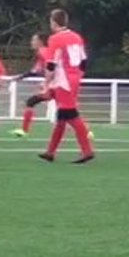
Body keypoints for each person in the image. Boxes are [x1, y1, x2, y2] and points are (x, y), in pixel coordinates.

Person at [39, 9, 95, 163]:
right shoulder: (77, 37)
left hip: (63, 81)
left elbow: (51, 65)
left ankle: (87, 150)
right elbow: (84, 61)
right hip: (74, 79)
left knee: (70, 115)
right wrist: (78, 75)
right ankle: (50, 152)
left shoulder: (55, 39)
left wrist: (46, 83)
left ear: (53, 22)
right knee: (62, 117)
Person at [10, 34, 54, 138]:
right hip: (56, 84)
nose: (31, 42)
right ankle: (24, 130)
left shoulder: (43, 52)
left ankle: (24, 130)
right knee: (30, 102)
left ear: (40, 42)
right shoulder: (42, 53)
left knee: (68, 111)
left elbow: (51, 66)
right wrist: (21, 77)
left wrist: (47, 83)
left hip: (56, 85)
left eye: (33, 40)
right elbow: (35, 71)